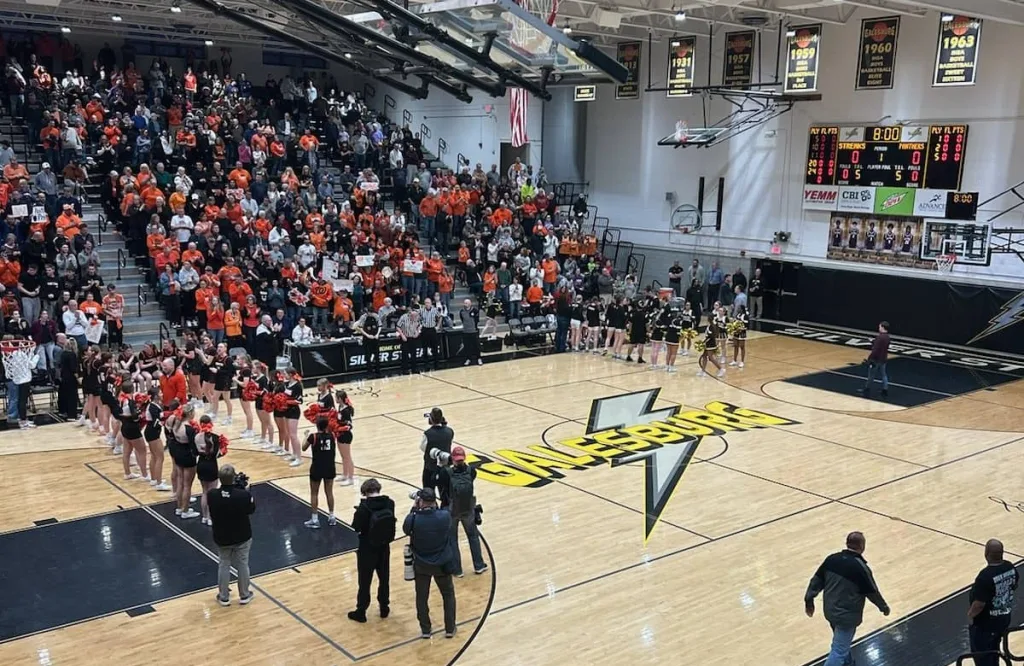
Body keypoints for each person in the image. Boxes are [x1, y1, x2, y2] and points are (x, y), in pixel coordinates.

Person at [805, 531, 890, 666]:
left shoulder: (831, 559)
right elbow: (872, 592)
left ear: (847, 543)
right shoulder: (860, 568)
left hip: (830, 611)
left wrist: (809, 600)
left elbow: (816, 581)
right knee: (839, 650)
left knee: (841, 644)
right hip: (847, 616)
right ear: (862, 546)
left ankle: (848, 663)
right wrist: (883, 607)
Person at [403, 487, 457, 639]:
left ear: (420, 501)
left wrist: (414, 508)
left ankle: (426, 630)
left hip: (421, 565)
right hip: (442, 564)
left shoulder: (413, 519)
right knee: (448, 596)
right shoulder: (445, 516)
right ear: (435, 500)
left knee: (422, 597)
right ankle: (450, 628)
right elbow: (441, 518)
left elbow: (406, 529)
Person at [348, 478, 396, 623]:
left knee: (364, 581)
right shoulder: (390, 503)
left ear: (364, 491)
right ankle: (384, 607)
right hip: (384, 547)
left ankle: (361, 611)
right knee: (384, 578)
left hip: (367, 548)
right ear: (378, 489)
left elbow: (356, 527)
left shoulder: (364, 508)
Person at [207, 464, 256, 607]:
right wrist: (246, 493)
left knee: (224, 564)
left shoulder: (212, 495)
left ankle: (223, 597)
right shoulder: (243, 495)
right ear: (234, 478)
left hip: (222, 536)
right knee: (242, 564)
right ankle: (244, 595)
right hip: (242, 535)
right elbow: (251, 510)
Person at [437, 446, 487, 577]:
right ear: (464, 458)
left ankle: (457, 570)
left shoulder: (445, 472)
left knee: (453, 539)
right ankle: (479, 565)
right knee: (473, 536)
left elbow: (439, 486)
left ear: (452, 459)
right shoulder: (472, 470)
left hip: (451, 509)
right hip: (468, 508)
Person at [968, 539, 1018, 666]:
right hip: (1003, 618)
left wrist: (970, 617)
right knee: (994, 651)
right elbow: (1014, 585)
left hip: (985, 625)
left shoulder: (985, 576)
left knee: (983, 658)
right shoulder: (1010, 567)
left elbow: (979, 604)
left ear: (986, 553)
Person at [301, 416, 337, 529]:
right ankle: (332, 517)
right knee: (329, 492)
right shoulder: (332, 436)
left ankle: (315, 519)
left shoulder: (313, 437)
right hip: (330, 467)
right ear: (327, 425)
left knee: (314, 493)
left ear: (316, 425)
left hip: (317, 468)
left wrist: (305, 436)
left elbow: (303, 447)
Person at [420, 407, 454, 492]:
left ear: (431, 419)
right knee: (445, 494)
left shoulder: (428, 433)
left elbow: (423, 448)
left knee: (428, 492)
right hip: (445, 468)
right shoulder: (450, 431)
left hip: (430, 468)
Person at [860, 321, 890, 399]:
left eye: (880, 327)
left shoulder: (880, 337)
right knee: (884, 375)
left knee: (871, 375)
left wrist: (869, 359)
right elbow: (882, 347)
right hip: (883, 359)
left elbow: (875, 350)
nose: (879, 328)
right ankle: (885, 390)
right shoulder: (887, 337)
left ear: (883, 327)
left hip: (876, 359)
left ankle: (867, 389)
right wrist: (873, 342)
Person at [459, 298, 481, 366]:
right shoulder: (461, 311)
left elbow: (477, 320)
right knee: (467, 347)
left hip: (473, 331)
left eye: (467, 303)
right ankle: (468, 359)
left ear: (470, 304)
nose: (466, 304)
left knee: (476, 346)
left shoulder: (475, 311)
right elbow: (462, 320)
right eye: (465, 303)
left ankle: (479, 358)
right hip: (465, 331)